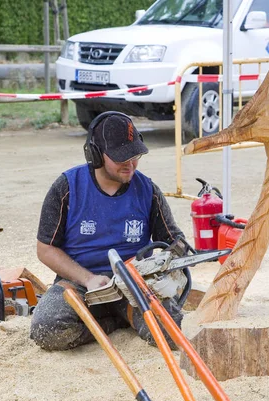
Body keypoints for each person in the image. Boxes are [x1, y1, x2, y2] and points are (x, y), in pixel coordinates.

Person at [30, 111, 184, 351]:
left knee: (170, 331)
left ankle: (123, 316)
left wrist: (171, 259)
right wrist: (88, 279)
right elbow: (45, 249)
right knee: (47, 329)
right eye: (121, 157)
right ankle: (112, 322)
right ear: (95, 154)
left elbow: (174, 241)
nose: (130, 164)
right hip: (80, 283)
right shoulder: (68, 187)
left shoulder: (148, 190)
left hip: (134, 284)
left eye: (135, 155)